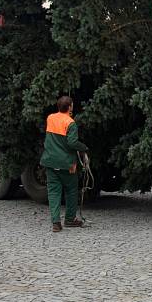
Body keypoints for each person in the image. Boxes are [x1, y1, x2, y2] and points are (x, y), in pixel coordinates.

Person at [41, 96, 89, 233]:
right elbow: (72, 143)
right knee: (71, 191)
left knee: (54, 193)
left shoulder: (50, 118)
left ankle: (56, 223)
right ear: (69, 107)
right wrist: (84, 148)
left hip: (50, 162)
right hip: (67, 164)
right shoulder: (71, 123)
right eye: (72, 105)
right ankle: (69, 219)